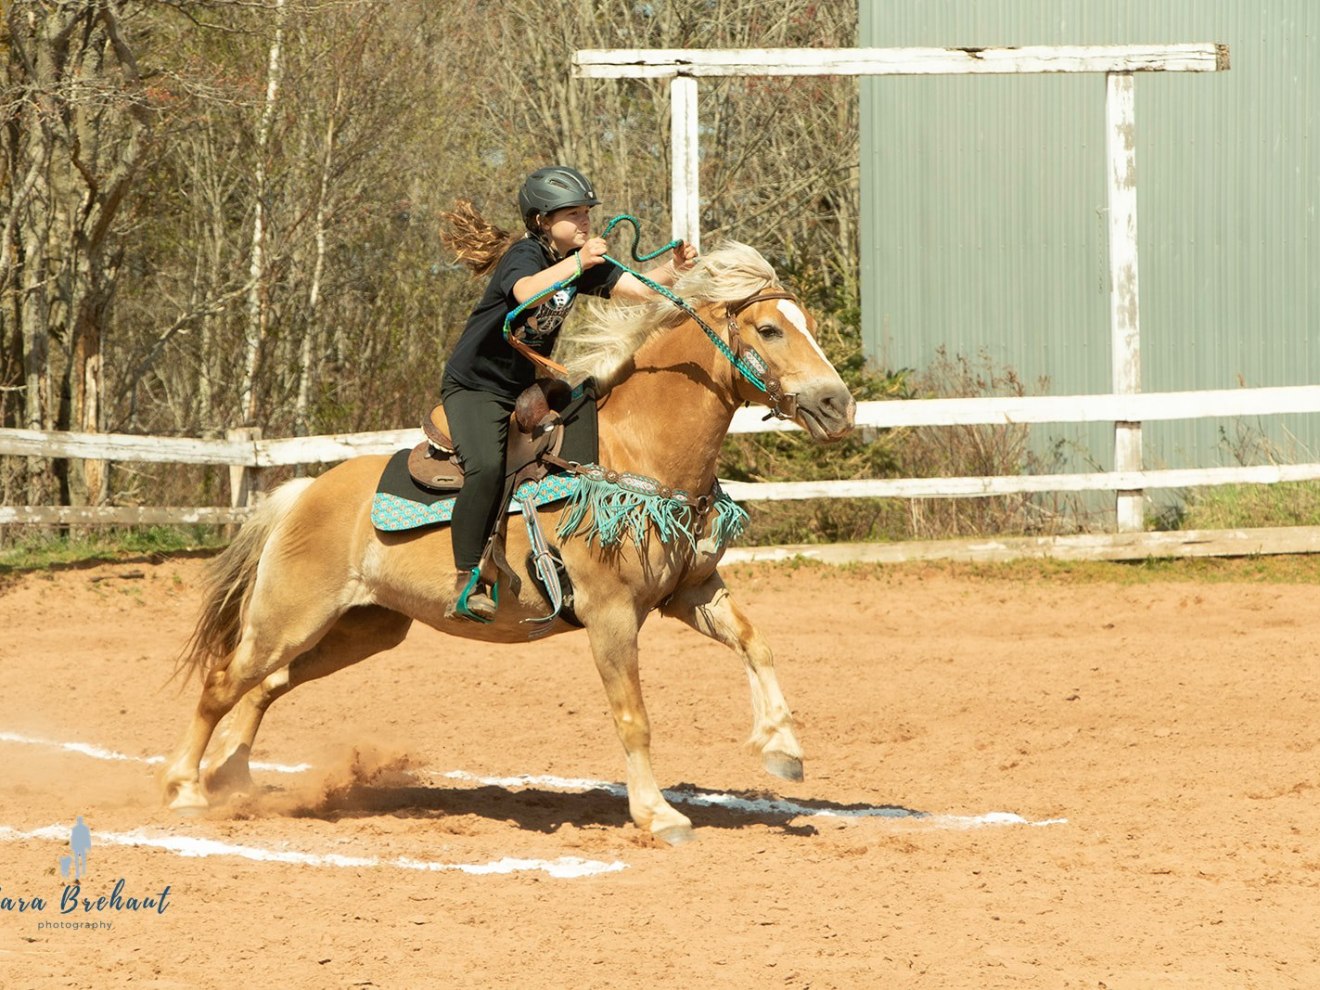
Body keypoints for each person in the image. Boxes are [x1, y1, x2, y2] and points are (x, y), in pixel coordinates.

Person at [439, 165, 697, 621]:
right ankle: (468, 577)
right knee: (484, 467)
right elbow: (525, 292)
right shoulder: (525, 255)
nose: (584, 221)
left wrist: (671, 270)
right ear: (541, 221)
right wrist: (577, 263)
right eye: (572, 214)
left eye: (586, 213)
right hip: (476, 387)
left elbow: (636, 289)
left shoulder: (577, 262)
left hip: (524, 387)